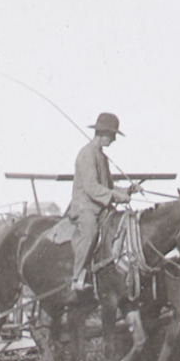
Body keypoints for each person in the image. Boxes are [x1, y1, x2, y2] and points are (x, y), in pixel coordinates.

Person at [67, 113, 137, 294]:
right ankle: (77, 278)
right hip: (85, 208)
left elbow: (109, 186)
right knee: (90, 231)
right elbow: (91, 188)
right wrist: (115, 196)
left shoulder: (102, 157)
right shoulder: (86, 154)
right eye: (112, 135)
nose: (113, 140)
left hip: (101, 208)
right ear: (102, 133)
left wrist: (128, 191)